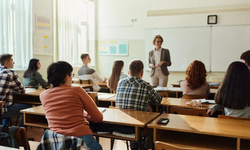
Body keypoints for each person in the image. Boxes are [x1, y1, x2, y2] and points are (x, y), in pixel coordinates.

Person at [40, 61, 103, 150]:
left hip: (56, 141)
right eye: (71, 75)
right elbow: (98, 117)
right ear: (66, 77)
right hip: (80, 138)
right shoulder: (77, 90)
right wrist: (86, 116)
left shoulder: (43, 95)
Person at [116, 59, 162, 150]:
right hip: (137, 127)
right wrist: (147, 101)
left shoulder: (120, 82)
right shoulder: (145, 85)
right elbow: (158, 100)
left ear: (128, 72)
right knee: (157, 125)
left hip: (119, 125)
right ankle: (145, 147)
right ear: (142, 73)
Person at [0, 54, 31, 126]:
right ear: (6, 62)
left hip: (1, 106)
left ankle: (6, 132)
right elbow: (21, 90)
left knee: (7, 102)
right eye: (12, 60)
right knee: (29, 107)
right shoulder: (10, 73)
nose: (13, 62)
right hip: (3, 109)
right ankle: (20, 133)